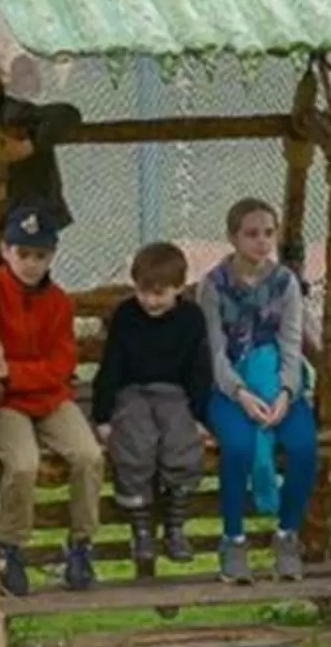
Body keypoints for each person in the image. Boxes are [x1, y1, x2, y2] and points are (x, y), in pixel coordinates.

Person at [0, 197, 104, 596]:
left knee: (88, 456)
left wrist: (12, 371)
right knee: (22, 464)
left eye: (40, 255)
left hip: (49, 397)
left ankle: (81, 543)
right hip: (8, 403)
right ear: (5, 251)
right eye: (23, 254)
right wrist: (1, 373)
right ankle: (9, 547)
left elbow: (61, 363)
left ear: (52, 256)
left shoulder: (58, 302)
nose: (31, 264)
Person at [195, 197, 316, 584]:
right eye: (251, 234)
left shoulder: (285, 283)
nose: (261, 242)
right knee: (238, 446)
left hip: (277, 381)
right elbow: (215, 351)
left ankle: (287, 534)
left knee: (303, 446)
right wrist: (242, 395)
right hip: (230, 386)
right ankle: (233, 539)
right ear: (233, 237)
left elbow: (291, 343)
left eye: (268, 233)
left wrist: (285, 392)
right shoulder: (213, 286)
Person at [89, 240, 211, 577]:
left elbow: (199, 370)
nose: (150, 301)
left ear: (179, 288)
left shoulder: (191, 318)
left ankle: (175, 526)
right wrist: (102, 416)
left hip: (173, 392)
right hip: (132, 391)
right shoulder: (126, 316)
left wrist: (200, 415)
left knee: (180, 440)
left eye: (159, 294)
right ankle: (141, 530)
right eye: (143, 292)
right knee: (135, 441)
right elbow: (111, 366)